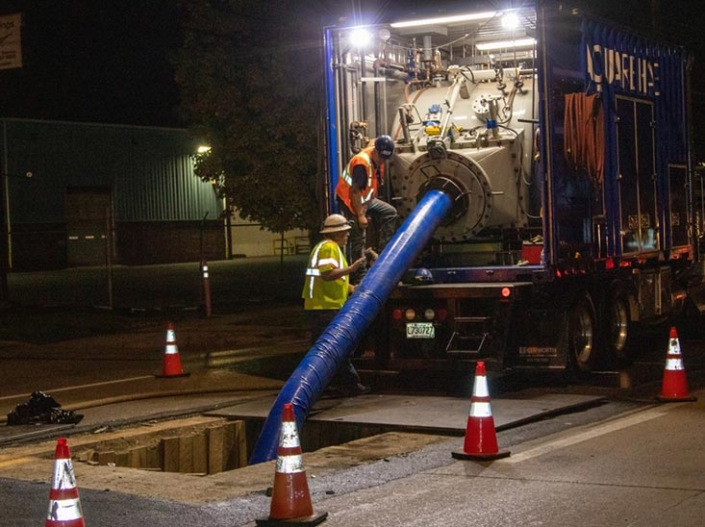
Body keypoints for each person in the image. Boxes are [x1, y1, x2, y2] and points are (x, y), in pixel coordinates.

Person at [301, 213, 370, 396]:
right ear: (337, 233)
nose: (347, 235)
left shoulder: (325, 247)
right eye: (345, 232)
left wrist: (351, 288)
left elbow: (333, 277)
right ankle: (350, 384)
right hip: (325, 306)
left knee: (324, 350)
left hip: (321, 306)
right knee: (337, 348)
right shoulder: (329, 248)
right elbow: (327, 274)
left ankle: (325, 384)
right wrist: (352, 268)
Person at [335, 134, 399, 283]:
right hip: (351, 202)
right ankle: (360, 278)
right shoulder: (361, 163)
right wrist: (360, 216)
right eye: (381, 158)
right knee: (359, 237)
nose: (382, 161)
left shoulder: (375, 152)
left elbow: (373, 142)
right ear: (375, 152)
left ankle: (383, 258)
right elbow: (355, 191)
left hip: (366, 200)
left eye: (385, 159)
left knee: (390, 213)